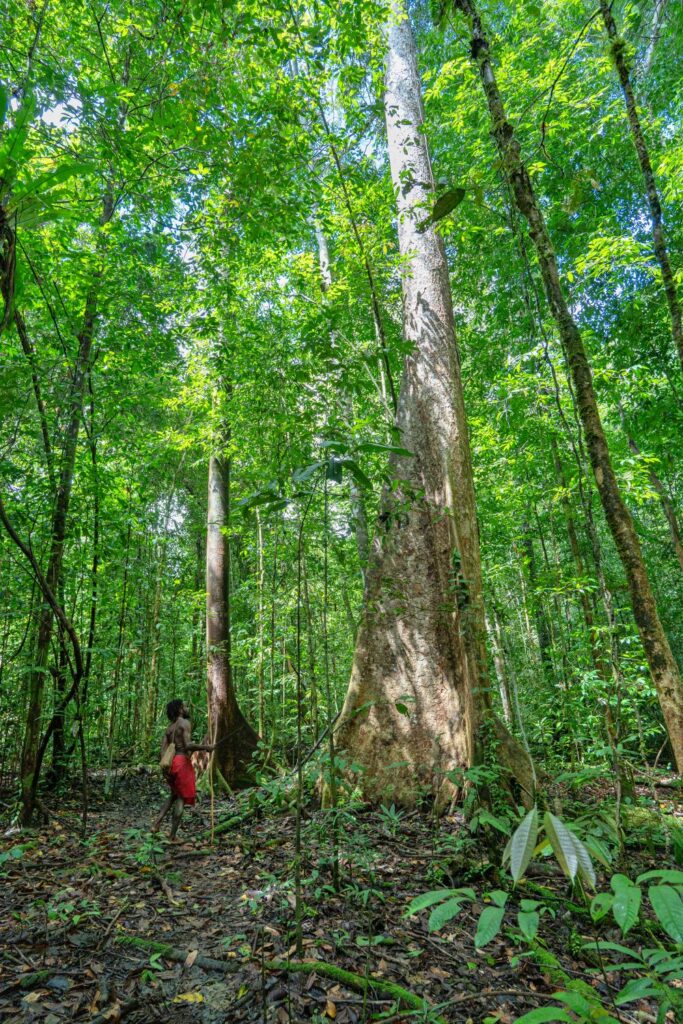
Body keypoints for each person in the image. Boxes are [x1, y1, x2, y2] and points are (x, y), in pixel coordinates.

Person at [153, 699, 214, 839]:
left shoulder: (169, 729)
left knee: (173, 794)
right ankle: (172, 835)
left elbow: (162, 752)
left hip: (171, 765)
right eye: (185, 706)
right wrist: (206, 748)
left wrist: (165, 770)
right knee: (180, 798)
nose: (187, 708)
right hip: (182, 763)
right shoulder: (184, 723)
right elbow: (187, 745)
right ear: (180, 709)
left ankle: (156, 824)